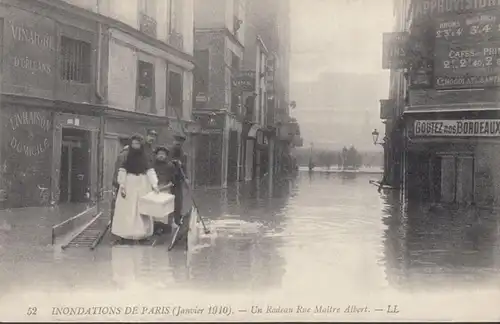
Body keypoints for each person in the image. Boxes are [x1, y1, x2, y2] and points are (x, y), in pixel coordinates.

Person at [112, 134, 160, 243]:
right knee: (128, 210)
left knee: (142, 210)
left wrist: (154, 185)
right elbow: (122, 170)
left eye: (137, 143)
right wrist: (122, 185)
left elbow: (150, 171)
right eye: (133, 143)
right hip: (130, 184)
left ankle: (142, 235)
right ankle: (126, 235)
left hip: (143, 185)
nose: (135, 146)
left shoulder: (145, 158)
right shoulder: (126, 157)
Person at [152, 146, 176, 234]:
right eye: (159, 154)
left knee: (165, 210)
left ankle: (166, 227)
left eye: (163, 154)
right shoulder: (152, 166)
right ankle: (155, 227)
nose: (161, 156)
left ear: (166, 156)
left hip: (166, 190)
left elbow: (172, 182)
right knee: (154, 210)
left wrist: (163, 188)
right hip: (154, 190)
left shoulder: (170, 166)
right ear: (156, 155)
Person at [110, 145, 129, 222]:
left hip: (120, 185)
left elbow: (117, 171)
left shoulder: (121, 156)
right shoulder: (131, 156)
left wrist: (115, 183)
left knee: (118, 205)